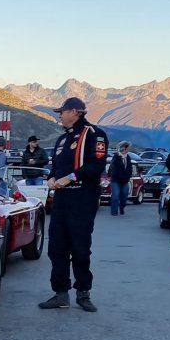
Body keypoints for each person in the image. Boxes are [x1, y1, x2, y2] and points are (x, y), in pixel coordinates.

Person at [38, 97, 108, 312]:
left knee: (80, 248)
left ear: (75, 112)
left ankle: (83, 292)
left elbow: (97, 165)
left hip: (82, 196)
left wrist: (70, 177)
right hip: (61, 198)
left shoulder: (94, 134)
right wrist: (51, 177)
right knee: (56, 247)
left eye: (62, 111)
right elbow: (56, 167)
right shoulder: (62, 139)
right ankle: (60, 293)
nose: (59, 115)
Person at [108, 141, 135, 216]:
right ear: (124, 148)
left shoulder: (128, 157)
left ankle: (122, 208)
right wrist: (116, 175)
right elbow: (112, 168)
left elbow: (129, 168)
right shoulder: (116, 157)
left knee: (124, 196)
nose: (129, 149)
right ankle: (114, 211)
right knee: (115, 196)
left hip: (125, 181)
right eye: (128, 148)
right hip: (116, 180)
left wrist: (128, 176)